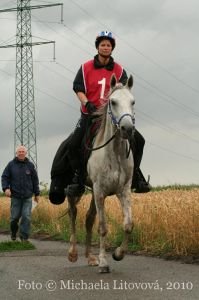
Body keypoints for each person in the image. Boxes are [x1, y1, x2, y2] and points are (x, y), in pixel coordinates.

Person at [50, 31, 151, 202]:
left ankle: (135, 177)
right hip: (90, 115)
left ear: (112, 48)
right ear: (97, 47)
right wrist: (86, 102)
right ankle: (77, 179)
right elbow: (78, 88)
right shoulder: (85, 67)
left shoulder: (119, 70)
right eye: (103, 44)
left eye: (108, 45)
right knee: (73, 144)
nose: (105, 47)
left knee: (139, 140)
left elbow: (124, 90)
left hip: (112, 116)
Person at [1, 145, 40, 241]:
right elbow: (4, 177)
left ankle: (24, 238)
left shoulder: (30, 165)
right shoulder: (11, 165)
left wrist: (37, 193)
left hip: (27, 196)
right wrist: (6, 188)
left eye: (23, 151)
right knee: (14, 218)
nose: (21, 153)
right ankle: (14, 233)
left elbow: (35, 180)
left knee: (26, 217)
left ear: (26, 153)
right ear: (16, 153)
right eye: (19, 151)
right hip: (16, 197)